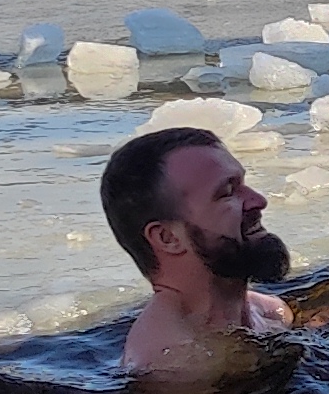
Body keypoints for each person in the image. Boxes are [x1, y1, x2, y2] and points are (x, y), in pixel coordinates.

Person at [103, 126, 291, 379]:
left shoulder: (270, 312)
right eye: (226, 193)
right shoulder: (173, 365)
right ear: (168, 238)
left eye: (243, 185)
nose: (258, 200)